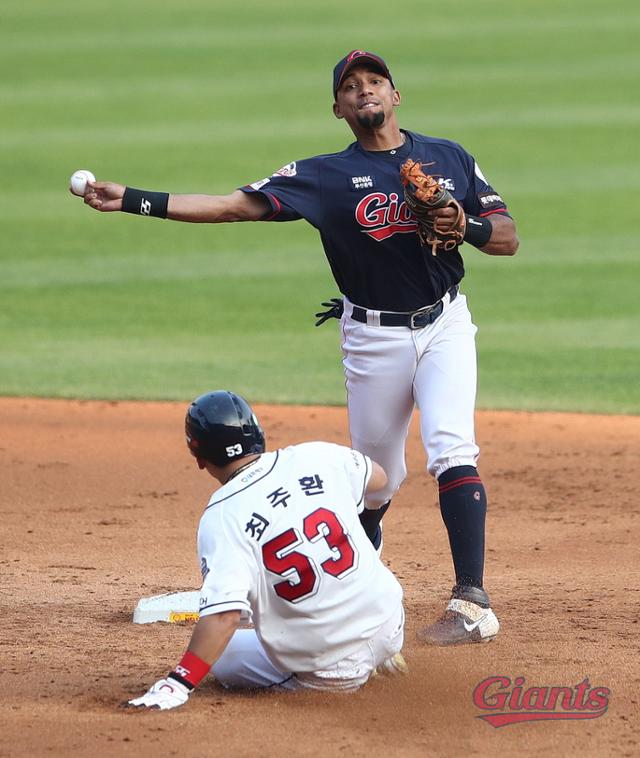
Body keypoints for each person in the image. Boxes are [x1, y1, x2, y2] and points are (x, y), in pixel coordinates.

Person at [82, 49, 519, 646]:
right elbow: (232, 207)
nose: (365, 90)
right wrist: (134, 198)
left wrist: (461, 225)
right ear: (338, 107)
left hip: (445, 325)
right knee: (378, 478)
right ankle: (355, 576)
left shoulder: (448, 157)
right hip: (372, 337)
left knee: (452, 446)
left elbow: (507, 238)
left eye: (376, 81)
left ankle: (471, 601)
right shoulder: (323, 176)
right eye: (352, 86)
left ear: (396, 95)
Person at [128, 390, 406, 710]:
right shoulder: (317, 455)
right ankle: (380, 652)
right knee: (358, 520)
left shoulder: (221, 517)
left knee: (225, 657)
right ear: (259, 433)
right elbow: (380, 480)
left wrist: (178, 683)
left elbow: (225, 616)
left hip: (333, 672)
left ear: (200, 458)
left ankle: (340, 671)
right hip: (390, 625)